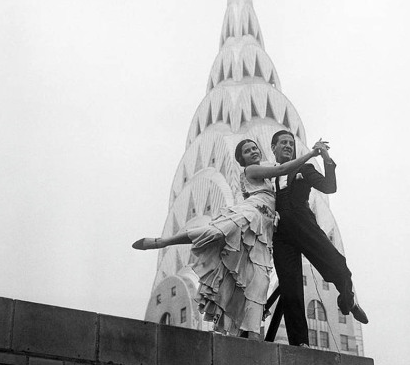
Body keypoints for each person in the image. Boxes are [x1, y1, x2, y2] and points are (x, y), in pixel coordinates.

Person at [132, 138, 325, 340]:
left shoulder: (269, 178)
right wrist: (311, 154)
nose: (253, 152)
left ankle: (252, 337)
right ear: (242, 159)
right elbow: (282, 169)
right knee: (215, 233)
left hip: (262, 232)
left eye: (254, 148)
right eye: (247, 151)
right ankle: (163, 241)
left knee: (259, 283)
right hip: (247, 215)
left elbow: (285, 185)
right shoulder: (251, 171)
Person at [270, 130, 368, 347]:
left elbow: (329, 187)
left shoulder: (304, 167)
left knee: (338, 265)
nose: (288, 146)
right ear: (273, 148)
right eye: (283, 143)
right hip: (281, 234)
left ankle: (347, 300)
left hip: (304, 223)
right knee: (290, 289)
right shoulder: (269, 175)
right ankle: (300, 343)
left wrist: (326, 158)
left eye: (290, 143)